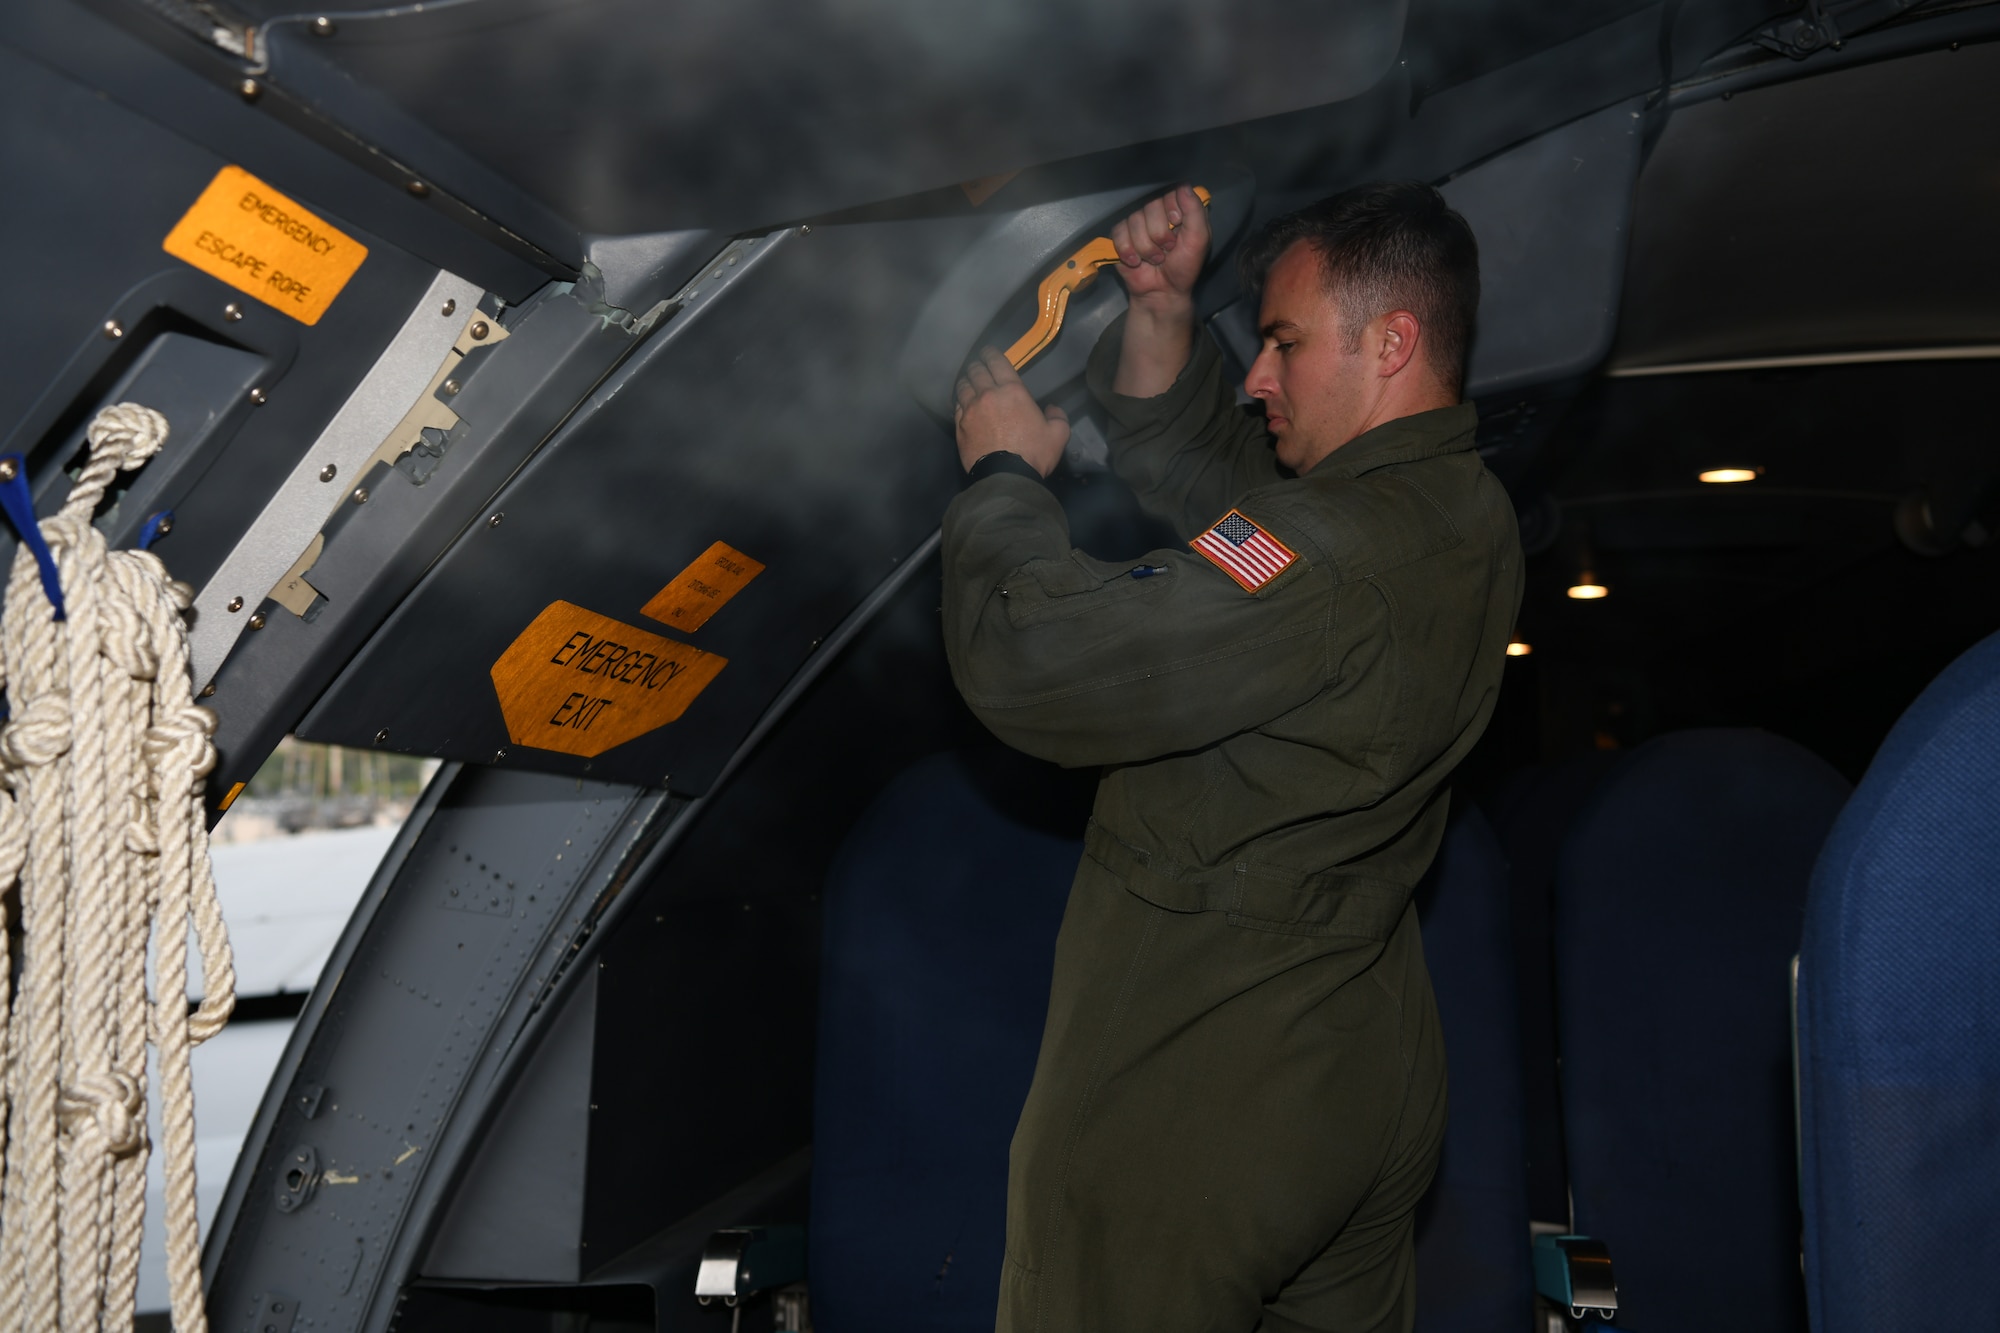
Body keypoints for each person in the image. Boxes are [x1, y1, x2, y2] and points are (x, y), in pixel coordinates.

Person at [940, 180, 1523, 1331]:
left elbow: (1038, 662)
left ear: (1392, 340)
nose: (1257, 375)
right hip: (1356, 1067)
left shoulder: (1338, 551)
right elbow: (1235, 499)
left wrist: (1003, 481)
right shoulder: (1457, 512)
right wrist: (1160, 312)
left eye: (1284, 342)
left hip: (1205, 1073)